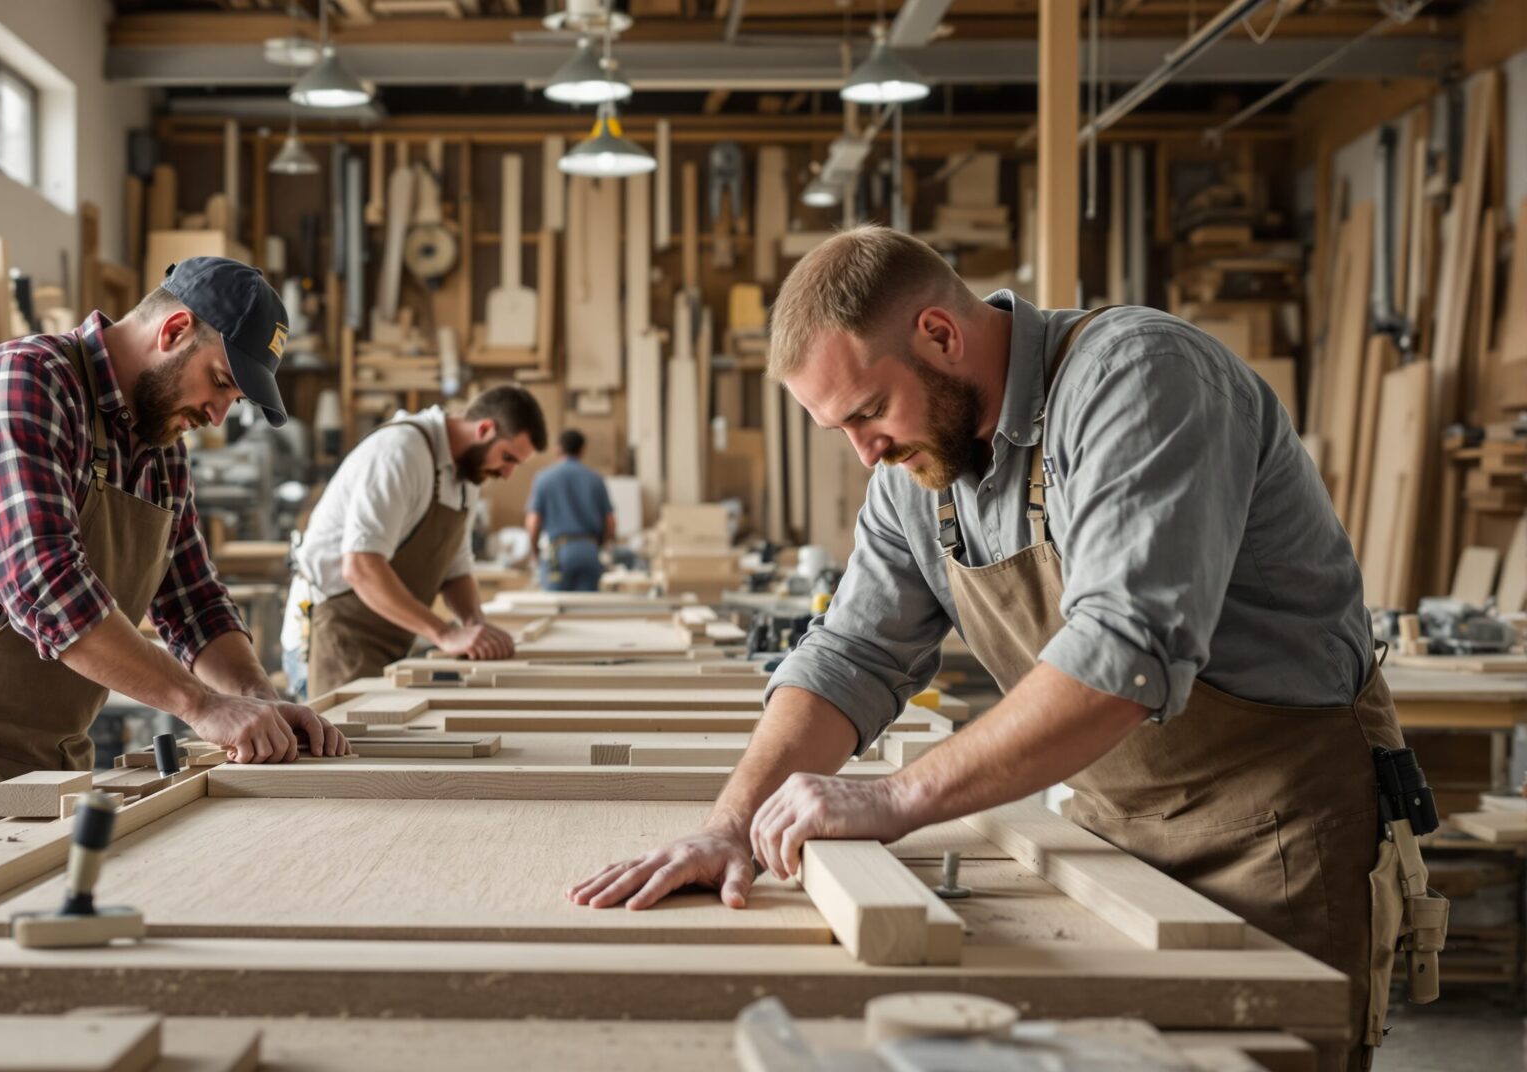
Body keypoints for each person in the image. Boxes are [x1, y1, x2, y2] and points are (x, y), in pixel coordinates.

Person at [570, 225, 1413, 1068]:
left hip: (1272, 829)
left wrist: (896, 797)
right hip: (1110, 835)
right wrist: (731, 825)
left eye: (869, 411)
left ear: (941, 334)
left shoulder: (1139, 378)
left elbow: (1125, 652)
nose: (866, 452)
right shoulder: (916, 473)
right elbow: (851, 656)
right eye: (840, 429)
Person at [0, 257, 347, 868]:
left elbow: (194, 602)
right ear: (174, 331)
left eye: (233, 399)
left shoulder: (160, 448)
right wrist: (202, 705)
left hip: (52, 760)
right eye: (220, 382)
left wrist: (258, 702)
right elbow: (49, 593)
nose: (218, 415)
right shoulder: (22, 385)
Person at [283, 386, 548, 699]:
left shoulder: (468, 474)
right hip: (337, 630)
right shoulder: (400, 452)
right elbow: (361, 566)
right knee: (343, 729)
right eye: (508, 458)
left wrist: (475, 625)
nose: (507, 473)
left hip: (389, 632)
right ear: (484, 429)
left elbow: (456, 566)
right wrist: (444, 634)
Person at [524, 429, 615, 593]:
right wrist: (598, 546)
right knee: (586, 606)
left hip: (559, 553)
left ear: (557, 449)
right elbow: (610, 522)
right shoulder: (596, 479)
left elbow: (533, 521)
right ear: (583, 450)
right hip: (589, 551)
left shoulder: (544, 478)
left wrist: (534, 551)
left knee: (556, 604)